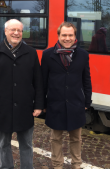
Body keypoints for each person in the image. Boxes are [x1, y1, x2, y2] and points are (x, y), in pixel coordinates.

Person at [0, 19, 43, 169]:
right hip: (2, 109)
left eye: (19, 30)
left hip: (25, 108)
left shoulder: (31, 53)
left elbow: (39, 82)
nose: (16, 33)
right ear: (5, 31)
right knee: (4, 144)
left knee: (27, 145)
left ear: (23, 33)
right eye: (12, 30)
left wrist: (39, 105)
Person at [41, 22, 92, 169]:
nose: (67, 38)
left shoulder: (83, 55)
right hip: (55, 103)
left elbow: (86, 79)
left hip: (76, 102)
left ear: (75, 36)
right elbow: (42, 81)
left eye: (70, 35)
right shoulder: (48, 55)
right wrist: (42, 103)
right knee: (55, 138)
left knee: (76, 138)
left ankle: (76, 164)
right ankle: (57, 165)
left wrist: (87, 101)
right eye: (64, 35)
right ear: (59, 36)